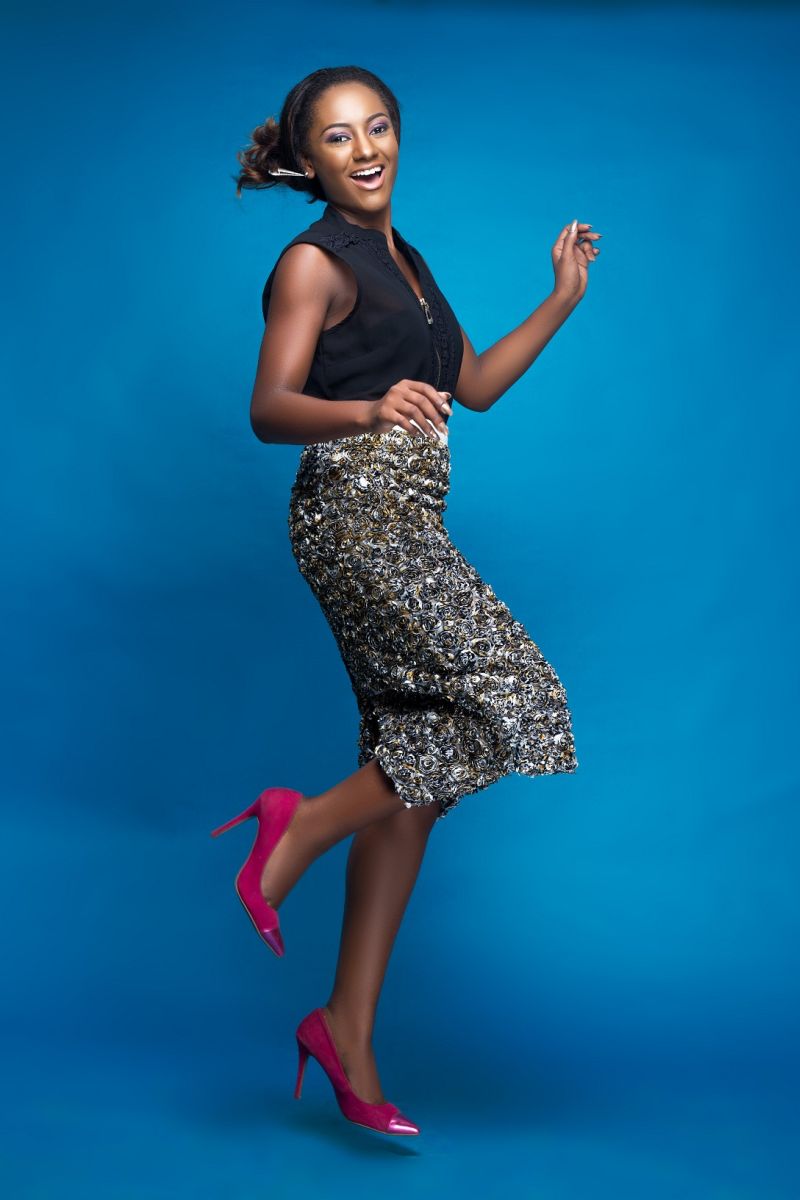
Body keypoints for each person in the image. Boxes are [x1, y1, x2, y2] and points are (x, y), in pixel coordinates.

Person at [211, 65, 601, 1138]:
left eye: (377, 127)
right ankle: (298, 825)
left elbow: (473, 386)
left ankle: (345, 1026)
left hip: (408, 517)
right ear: (307, 161)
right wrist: (367, 409)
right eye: (338, 137)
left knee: (419, 774)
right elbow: (267, 408)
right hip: (355, 513)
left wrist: (560, 299)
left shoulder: (408, 262)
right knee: (518, 699)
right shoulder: (312, 262)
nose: (366, 149)